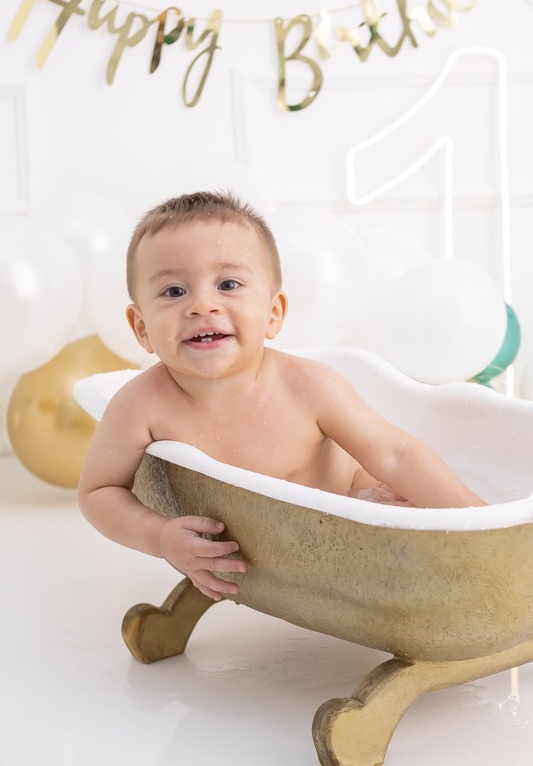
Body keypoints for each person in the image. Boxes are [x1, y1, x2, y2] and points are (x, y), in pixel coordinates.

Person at [77, 190, 486, 601]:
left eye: (228, 284)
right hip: (267, 554)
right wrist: (160, 537)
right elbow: (98, 492)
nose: (202, 305)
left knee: (415, 530)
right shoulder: (138, 406)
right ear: (141, 327)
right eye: (173, 292)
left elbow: (395, 455)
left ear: (273, 314)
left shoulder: (309, 386)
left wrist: (482, 522)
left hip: (353, 508)